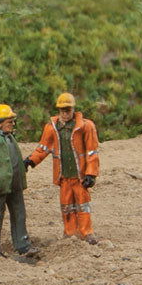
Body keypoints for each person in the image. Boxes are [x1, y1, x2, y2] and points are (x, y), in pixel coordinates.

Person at [26, 92, 100, 244]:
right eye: (62, 110)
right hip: (64, 176)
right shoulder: (52, 127)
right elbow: (44, 148)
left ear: (73, 109)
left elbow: (91, 151)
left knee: (82, 205)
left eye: (68, 110)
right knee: (66, 206)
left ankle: (87, 232)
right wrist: (30, 160)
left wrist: (91, 174)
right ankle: (70, 232)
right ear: (58, 110)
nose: (65, 113)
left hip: (79, 176)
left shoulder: (86, 126)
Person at [0, 104, 38, 259]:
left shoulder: (10, 138)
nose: (12, 124)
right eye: (9, 121)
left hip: (15, 183)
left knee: (19, 213)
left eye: (12, 121)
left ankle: (23, 244)